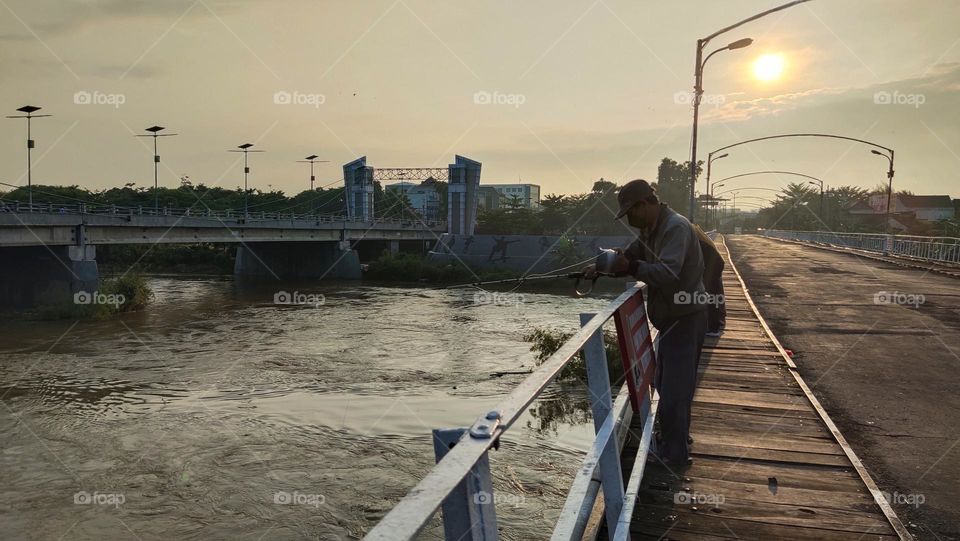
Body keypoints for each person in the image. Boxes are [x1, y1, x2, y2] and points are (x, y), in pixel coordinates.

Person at [583, 179, 707, 466]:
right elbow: (630, 256)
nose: (630, 219)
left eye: (630, 212)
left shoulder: (674, 227)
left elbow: (667, 273)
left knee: (675, 389)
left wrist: (631, 267)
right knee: (667, 382)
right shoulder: (652, 228)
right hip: (673, 317)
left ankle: (675, 455)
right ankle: (677, 440)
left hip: (685, 317)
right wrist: (601, 268)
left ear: (644, 204)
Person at [693, 224, 726, 336]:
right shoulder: (692, 231)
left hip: (712, 265)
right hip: (714, 262)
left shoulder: (685, 233)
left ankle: (713, 328)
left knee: (711, 296)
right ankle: (718, 321)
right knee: (715, 294)